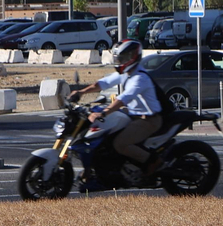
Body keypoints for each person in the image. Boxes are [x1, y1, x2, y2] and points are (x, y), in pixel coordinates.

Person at [69, 40, 163, 181]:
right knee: (105, 138)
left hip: (148, 120)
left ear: (133, 57)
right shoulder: (126, 73)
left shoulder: (140, 78)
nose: (119, 61)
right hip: (133, 116)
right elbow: (103, 83)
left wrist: (103, 113)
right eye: (118, 58)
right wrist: (81, 92)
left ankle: (153, 161)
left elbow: (123, 99)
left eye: (123, 58)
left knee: (120, 143)